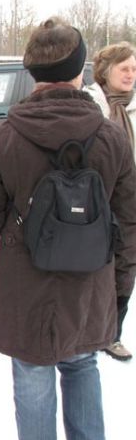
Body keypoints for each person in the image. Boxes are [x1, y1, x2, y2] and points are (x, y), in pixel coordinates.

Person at [0, 18, 136, 440]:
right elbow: (128, 222)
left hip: (26, 284)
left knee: (33, 380)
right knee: (82, 367)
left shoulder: (5, 135)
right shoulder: (110, 136)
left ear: (34, 72)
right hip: (90, 282)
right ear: (80, 70)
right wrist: (121, 292)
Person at [85, 41, 136, 362]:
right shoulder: (91, 105)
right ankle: (88, 329)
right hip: (97, 200)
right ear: (105, 72)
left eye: (134, 69)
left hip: (130, 202)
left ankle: (112, 334)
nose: (131, 74)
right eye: (124, 68)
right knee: (94, 266)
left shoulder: (134, 107)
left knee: (126, 267)